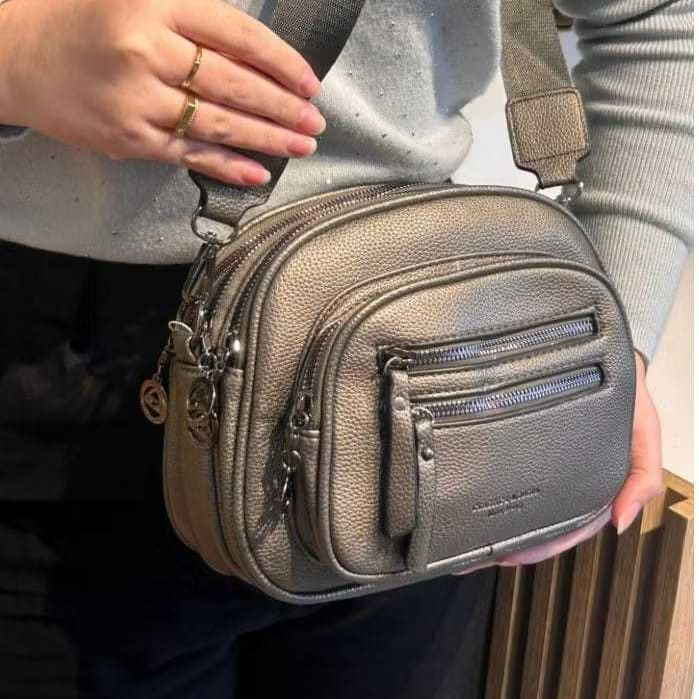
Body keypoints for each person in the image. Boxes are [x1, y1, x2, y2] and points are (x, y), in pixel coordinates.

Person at [0, 0, 691, 696]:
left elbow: (649, 16)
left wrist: (618, 326)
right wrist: (18, 52)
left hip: (422, 338)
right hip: (56, 366)